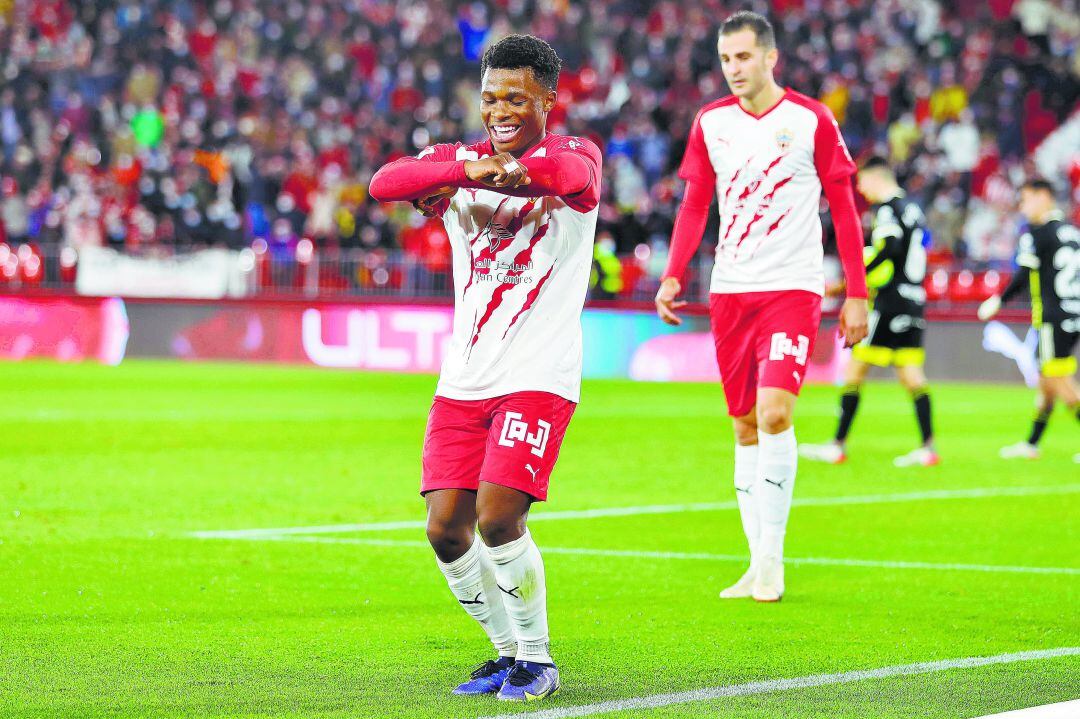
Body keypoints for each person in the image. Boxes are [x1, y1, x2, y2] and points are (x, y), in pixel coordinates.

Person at [369, 34, 602, 702]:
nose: (500, 109)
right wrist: (470, 172)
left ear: (548, 100)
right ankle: (503, 652)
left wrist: (515, 173)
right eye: (491, 95)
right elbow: (387, 182)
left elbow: (574, 181)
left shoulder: (572, 153)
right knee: (444, 527)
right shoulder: (460, 160)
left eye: (517, 97)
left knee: (499, 515)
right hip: (464, 376)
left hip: (538, 372)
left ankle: (538, 657)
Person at [654, 10, 868, 603]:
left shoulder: (810, 120)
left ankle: (772, 562)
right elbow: (696, 205)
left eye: (744, 57)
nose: (734, 70)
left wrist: (857, 291)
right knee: (745, 425)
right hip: (730, 290)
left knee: (775, 413)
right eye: (726, 60)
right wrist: (673, 276)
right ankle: (756, 562)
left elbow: (844, 207)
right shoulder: (711, 123)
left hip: (791, 289)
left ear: (771, 58)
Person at [800, 157, 938, 467]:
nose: (860, 189)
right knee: (911, 374)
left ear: (877, 178)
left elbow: (890, 247)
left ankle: (837, 444)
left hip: (889, 302)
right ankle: (928, 447)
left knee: (855, 371)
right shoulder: (913, 209)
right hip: (914, 298)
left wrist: (854, 281)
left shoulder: (888, 209)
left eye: (862, 182)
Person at [978, 178, 1080, 464]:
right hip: (1073, 313)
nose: (1022, 207)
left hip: (1051, 316)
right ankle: (1032, 443)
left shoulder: (1037, 233)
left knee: (1058, 380)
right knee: (1048, 382)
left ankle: (1032, 443)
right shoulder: (1070, 232)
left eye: (1025, 199)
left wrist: (998, 300)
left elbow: (1023, 274)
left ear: (1042, 196)